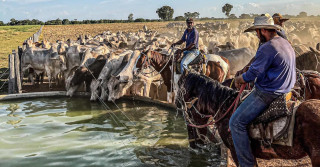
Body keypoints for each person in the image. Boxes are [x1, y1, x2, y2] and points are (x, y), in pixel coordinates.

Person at [229, 13, 296, 167]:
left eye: (256, 32)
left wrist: (239, 79)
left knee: (235, 122)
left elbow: (252, 74)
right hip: (287, 89)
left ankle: (247, 164)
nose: (256, 35)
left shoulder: (267, 47)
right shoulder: (285, 42)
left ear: (262, 31)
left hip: (269, 93)